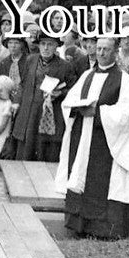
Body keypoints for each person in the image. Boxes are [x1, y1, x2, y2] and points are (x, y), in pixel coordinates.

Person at [55, 36, 129, 239]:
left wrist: (97, 112)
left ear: (115, 52)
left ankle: (103, 230)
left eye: (106, 49)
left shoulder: (124, 79)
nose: (101, 53)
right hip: (83, 136)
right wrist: (77, 108)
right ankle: (79, 226)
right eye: (98, 49)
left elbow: (128, 112)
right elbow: (68, 101)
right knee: (80, 174)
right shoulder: (87, 75)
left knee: (102, 180)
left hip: (106, 140)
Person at [11, 31, 78, 162]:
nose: (46, 48)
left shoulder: (65, 66)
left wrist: (60, 94)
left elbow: (74, 90)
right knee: (26, 148)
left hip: (50, 113)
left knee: (46, 150)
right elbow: (22, 84)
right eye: (43, 44)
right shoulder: (30, 60)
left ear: (56, 47)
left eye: (50, 44)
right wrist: (16, 102)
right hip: (29, 112)